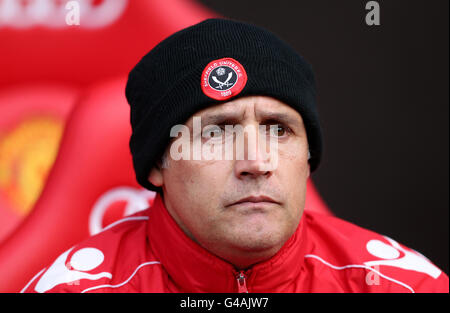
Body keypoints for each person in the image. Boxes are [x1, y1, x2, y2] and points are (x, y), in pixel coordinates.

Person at [22, 18, 448, 293]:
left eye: (278, 129)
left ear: (307, 157)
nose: (256, 162)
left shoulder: (401, 286)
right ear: (157, 164)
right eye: (217, 133)